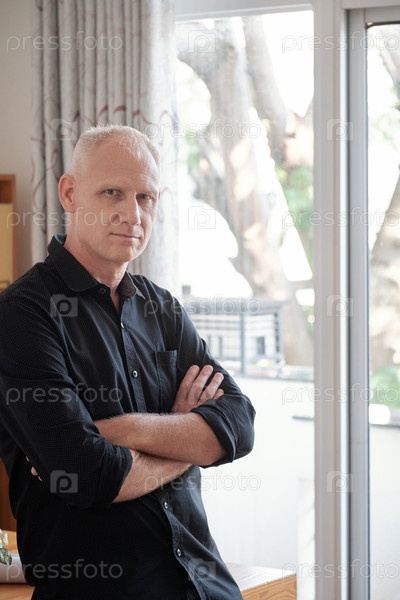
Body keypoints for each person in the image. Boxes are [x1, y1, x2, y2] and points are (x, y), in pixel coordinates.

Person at [0, 124, 255, 600]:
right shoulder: (21, 315)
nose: (132, 214)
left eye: (146, 197)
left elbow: (239, 427)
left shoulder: (163, 308)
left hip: (207, 587)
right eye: (112, 193)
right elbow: (88, 475)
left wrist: (120, 430)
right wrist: (185, 433)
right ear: (70, 193)